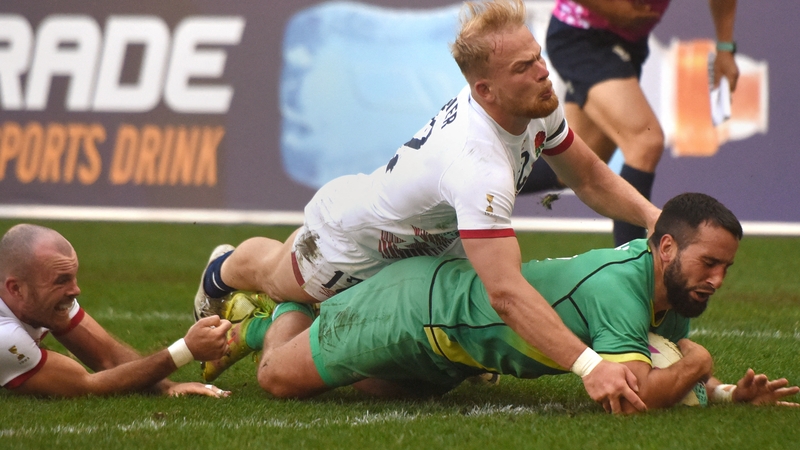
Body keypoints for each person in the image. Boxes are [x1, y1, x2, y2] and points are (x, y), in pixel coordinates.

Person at [195, 0, 661, 413]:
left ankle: (290, 321)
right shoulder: (478, 165)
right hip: (353, 241)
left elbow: (590, 176)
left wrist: (653, 219)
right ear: (485, 91)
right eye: (524, 67)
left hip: (425, 247)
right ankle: (219, 273)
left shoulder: (538, 103)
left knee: (409, 380)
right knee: (279, 275)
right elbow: (505, 292)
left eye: (538, 57)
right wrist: (589, 366)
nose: (542, 71)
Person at [219, 193, 798, 413]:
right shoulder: (621, 289)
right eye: (709, 264)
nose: (718, 279)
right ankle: (259, 322)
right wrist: (699, 365)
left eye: (726, 267)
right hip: (416, 308)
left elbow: (656, 363)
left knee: (361, 387)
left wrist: (725, 393)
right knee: (276, 379)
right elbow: (634, 395)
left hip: (450, 356)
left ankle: (321, 316)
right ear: (667, 247)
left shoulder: (670, 288)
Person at [520, 0, 739, 247]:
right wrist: (614, 10)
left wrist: (724, 48)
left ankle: (475, 187)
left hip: (629, 40)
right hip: (582, 35)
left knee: (571, 166)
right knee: (645, 142)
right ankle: (632, 269)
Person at [0, 223, 233, 397]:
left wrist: (168, 387)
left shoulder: (47, 299)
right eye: (61, 281)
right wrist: (186, 350)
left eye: (73, 278)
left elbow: (108, 358)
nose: (75, 290)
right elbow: (86, 386)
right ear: (16, 289)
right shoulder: (5, 336)